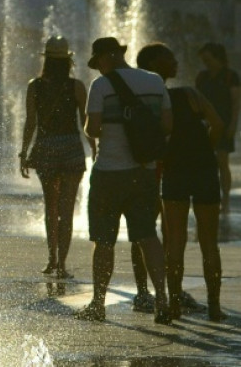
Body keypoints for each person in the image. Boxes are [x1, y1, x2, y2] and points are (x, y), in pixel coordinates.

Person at [76, 37, 173, 324]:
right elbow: (167, 126)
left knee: (104, 240)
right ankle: (162, 300)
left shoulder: (102, 86)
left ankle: (98, 304)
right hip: (144, 171)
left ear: (107, 57)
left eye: (98, 63)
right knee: (147, 236)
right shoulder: (155, 81)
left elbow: (92, 129)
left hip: (109, 172)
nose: (98, 69)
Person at [138, 43, 227, 321]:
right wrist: (205, 150)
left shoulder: (146, 100)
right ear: (155, 64)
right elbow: (219, 125)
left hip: (173, 171)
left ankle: (173, 305)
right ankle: (214, 307)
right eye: (170, 58)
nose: (176, 61)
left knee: (173, 242)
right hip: (203, 170)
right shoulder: (190, 94)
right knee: (209, 242)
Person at [19, 36, 93, 279]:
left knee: (50, 208)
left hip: (46, 149)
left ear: (47, 60)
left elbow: (31, 122)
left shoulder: (35, 86)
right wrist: (95, 149)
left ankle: (51, 259)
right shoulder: (77, 87)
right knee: (67, 209)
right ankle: (62, 263)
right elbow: (86, 123)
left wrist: (24, 152)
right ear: (68, 61)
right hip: (71, 149)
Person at [195, 42, 241, 219]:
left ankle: (226, 200)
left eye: (208, 59)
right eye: (204, 60)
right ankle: (209, 199)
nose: (206, 63)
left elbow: (236, 103)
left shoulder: (231, 77)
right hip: (204, 125)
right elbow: (196, 100)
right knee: (205, 163)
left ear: (218, 57)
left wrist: (233, 125)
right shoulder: (202, 76)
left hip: (223, 124)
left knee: (222, 162)